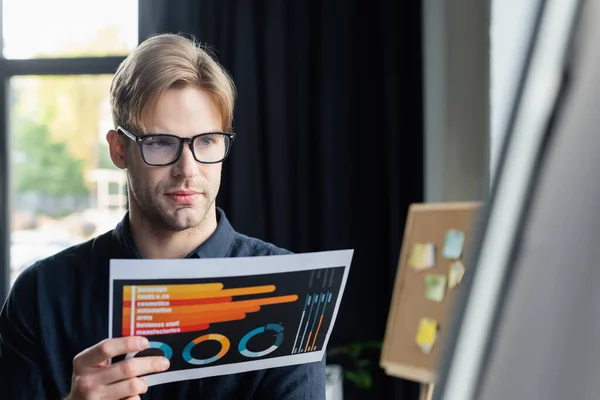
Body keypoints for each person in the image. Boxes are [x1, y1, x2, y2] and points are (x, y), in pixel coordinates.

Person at [0, 33, 325, 400]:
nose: (187, 169)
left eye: (206, 141)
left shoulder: (288, 292)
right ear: (119, 150)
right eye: (160, 142)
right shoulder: (41, 294)